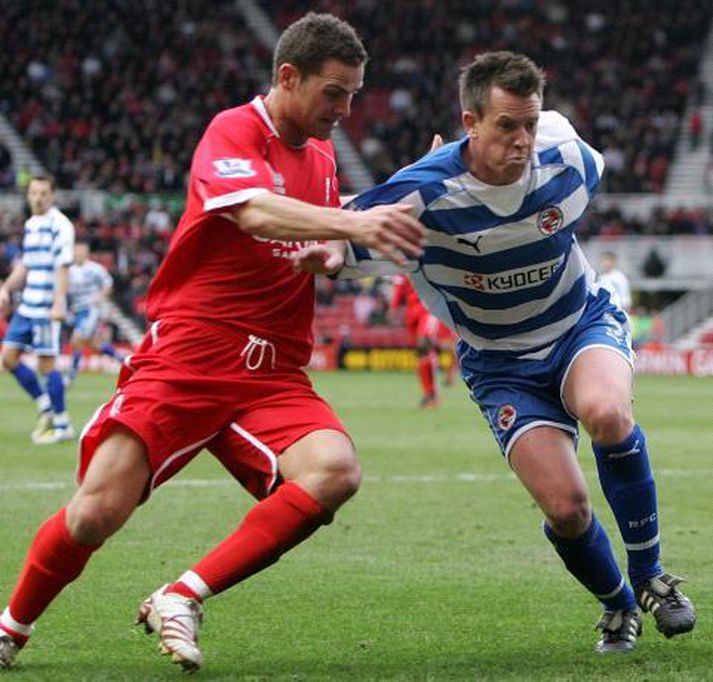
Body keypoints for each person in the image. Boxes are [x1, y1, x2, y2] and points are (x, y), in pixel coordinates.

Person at [0, 13, 425, 672]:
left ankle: (182, 595)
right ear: (288, 76)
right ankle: (11, 628)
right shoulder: (233, 130)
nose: (346, 109)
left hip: (273, 371)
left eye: (352, 94)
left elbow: (329, 243)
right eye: (334, 92)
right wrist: (353, 223)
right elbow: (252, 211)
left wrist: (333, 254)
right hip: (191, 354)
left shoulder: (318, 157)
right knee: (94, 515)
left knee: (334, 471)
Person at [295, 51, 694, 653]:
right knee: (566, 509)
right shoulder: (423, 197)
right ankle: (617, 604)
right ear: (470, 122)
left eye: (529, 123)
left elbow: (579, 162)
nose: (523, 139)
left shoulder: (569, 158)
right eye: (507, 125)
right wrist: (327, 253)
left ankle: (651, 577)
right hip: (500, 363)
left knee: (608, 413)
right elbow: (344, 237)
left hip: (577, 324)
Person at [0, 175, 74, 444]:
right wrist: (6, 289)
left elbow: (63, 266)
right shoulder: (31, 225)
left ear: (52, 196)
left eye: (43, 193)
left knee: (46, 365)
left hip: (45, 307)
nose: (38, 197)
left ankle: (63, 424)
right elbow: (26, 265)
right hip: (27, 305)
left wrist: (59, 301)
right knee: (7, 358)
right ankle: (46, 407)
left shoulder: (60, 225)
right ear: (28, 195)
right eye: (33, 193)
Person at [65, 240, 125, 384]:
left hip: (91, 310)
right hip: (77, 311)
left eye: (81, 252)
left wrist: (100, 296)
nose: (78, 254)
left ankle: (70, 376)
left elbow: (108, 284)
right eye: (76, 252)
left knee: (76, 339)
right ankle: (123, 361)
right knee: (95, 345)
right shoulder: (69, 270)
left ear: (86, 253)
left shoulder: (95, 269)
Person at [390, 273, 442, 407]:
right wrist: (394, 307)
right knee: (421, 354)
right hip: (411, 311)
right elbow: (398, 285)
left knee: (423, 345)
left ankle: (433, 394)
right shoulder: (401, 265)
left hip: (428, 308)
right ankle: (427, 393)